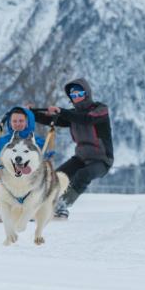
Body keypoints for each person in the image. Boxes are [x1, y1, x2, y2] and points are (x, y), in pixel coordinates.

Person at [33, 78, 113, 218]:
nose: (76, 98)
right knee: (55, 176)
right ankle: (41, 205)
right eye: (73, 96)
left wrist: (62, 112)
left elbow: (86, 119)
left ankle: (62, 204)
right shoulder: (72, 115)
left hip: (101, 161)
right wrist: (30, 114)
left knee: (83, 175)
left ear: (86, 93)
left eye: (79, 94)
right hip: (81, 158)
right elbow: (51, 120)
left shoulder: (100, 110)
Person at [0, 106, 46, 178]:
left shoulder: (38, 142)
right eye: (14, 121)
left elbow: (42, 163)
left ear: (27, 122)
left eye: (21, 121)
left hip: (30, 180)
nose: (17, 124)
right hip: (5, 179)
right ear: (10, 123)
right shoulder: (1, 142)